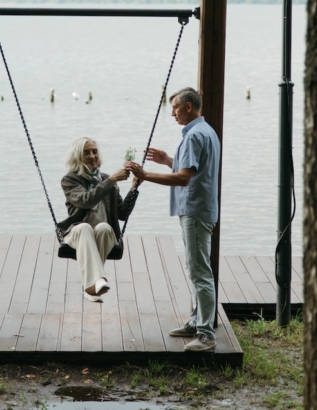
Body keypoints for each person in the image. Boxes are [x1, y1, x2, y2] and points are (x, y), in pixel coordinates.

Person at [125, 86, 220, 353]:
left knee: (200, 271)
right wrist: (169, 159)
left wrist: (145, 176)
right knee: (196, 268)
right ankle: (196, 322)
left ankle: (206, 334)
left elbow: (183, 178)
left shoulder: (193, 136)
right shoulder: (207, 131)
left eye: (175, 108)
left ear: (188, 107)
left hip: (195, 211)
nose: (173, 114)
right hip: (202, 209)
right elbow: (192, 170)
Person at [58, 137, 138, 303]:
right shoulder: (70, 180)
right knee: (85, 228)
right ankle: (97, 282)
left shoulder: (107, 180)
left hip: (103, 235)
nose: (92, 156)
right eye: (86, 152)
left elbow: (122, 214)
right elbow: (86, 200)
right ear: (77, 157)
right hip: (77, 234)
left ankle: (93, 286)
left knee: (103, 227)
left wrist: (134, 188)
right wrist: (111, 181)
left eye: (94, 151)